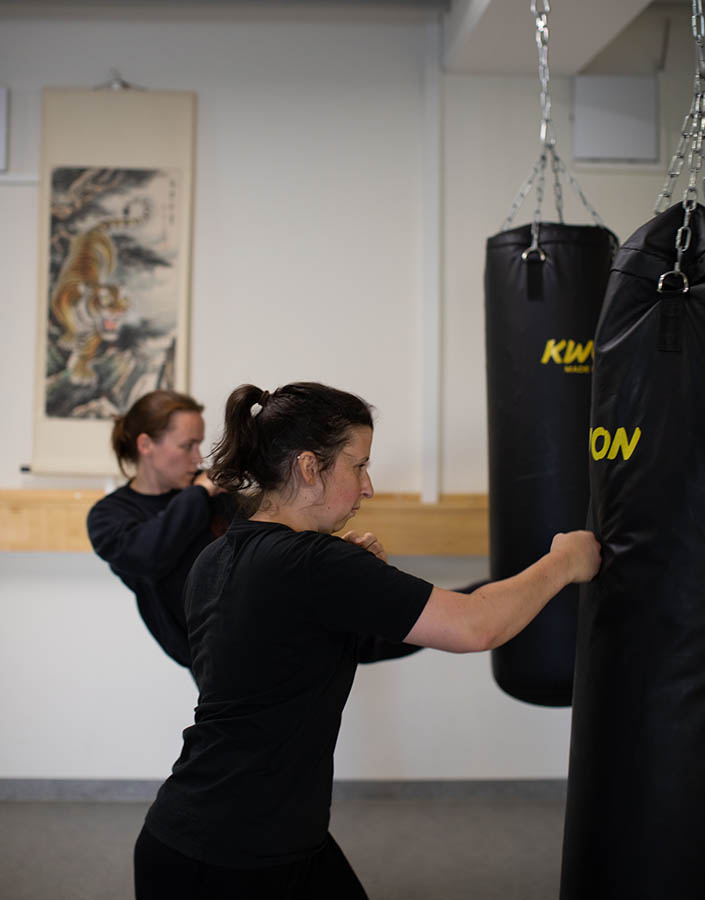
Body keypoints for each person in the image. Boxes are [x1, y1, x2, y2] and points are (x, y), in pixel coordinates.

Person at [134, 382, 601, 899]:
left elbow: (280, 654)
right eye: (358, 465)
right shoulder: (313, 563)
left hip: (216, 834)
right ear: (310, 468)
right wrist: (565, 561)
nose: (368, 486)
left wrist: (358, 586)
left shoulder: (216, 559)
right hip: (232, 858)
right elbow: (476, 626)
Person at [87, 389, 239, 669]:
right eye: (187, 446)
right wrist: (199, 494)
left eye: (199, 445)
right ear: (146, 445)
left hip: (266, 638)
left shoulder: (217, 492)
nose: (198, 458)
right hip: (210, 661)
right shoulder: (109, 517)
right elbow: (149, 555)